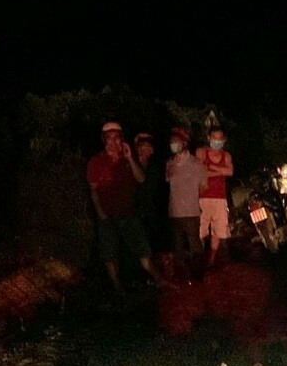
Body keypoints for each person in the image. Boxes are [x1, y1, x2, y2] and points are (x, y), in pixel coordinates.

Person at [86, 121, 155, 290]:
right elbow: (94, 190)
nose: (113, 141)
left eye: (116, 137)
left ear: (122, 139)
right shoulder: (96, 161)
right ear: (104, 140)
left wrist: (130, 158)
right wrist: (101, 213)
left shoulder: (128, 159)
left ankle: (156, 278)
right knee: (110, 252)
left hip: (128, 212)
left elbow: (141, 179)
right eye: (109, 138)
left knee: (141, 248)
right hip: (107, 214)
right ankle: (117, 286)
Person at [165, 127, 208, 282]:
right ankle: (180, 275)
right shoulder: (169, 163)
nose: (173, 145)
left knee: (194, 244)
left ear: (184, 143)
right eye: (171, 143)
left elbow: (204, 186)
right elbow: (168, 180)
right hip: (174, 211)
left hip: (191, 211)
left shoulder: (196, 163)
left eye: (176, 142)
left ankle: (198, 275)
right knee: (177, 246)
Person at [195, 127, 234, 269]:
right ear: (208, 138)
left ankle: (211, 259)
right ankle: (199, 257)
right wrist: (220, 171)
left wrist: (211, 167)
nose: (217, 141)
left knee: (218, 231)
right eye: (214, 138)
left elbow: (230, 172)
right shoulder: (201, 152)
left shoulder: (226, 155)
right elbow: (200, 172)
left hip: (220, 198)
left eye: (220, 138)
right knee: (200, 229)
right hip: (202, 197)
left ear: (224, 140)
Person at [132, 132, 169, 259]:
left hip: (149, 210)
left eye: (147, 147)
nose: (144, 150)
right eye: (141, 146)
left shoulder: (154, 168)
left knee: (151, 242)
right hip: (133, 210)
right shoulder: (130, 164)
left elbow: (152, 189)